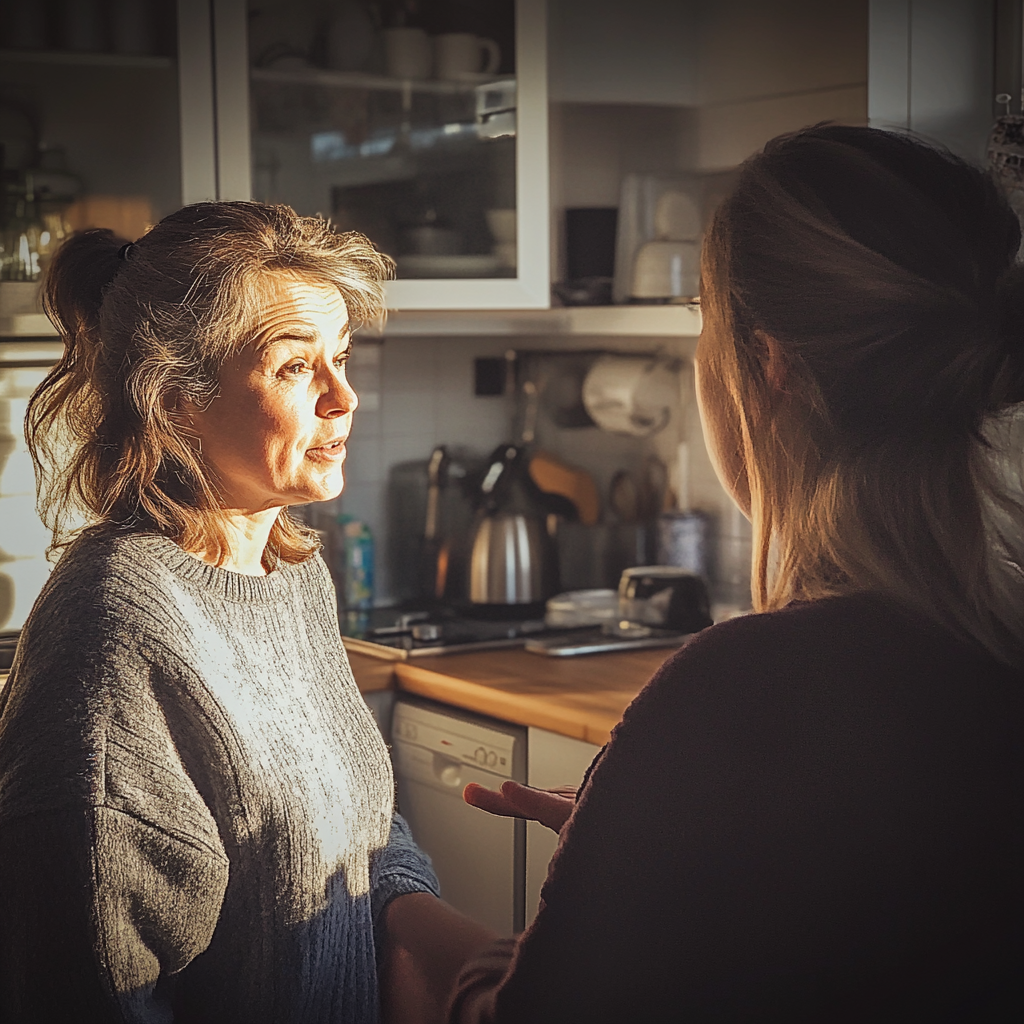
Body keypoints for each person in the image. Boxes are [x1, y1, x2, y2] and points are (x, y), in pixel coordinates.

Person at [454, 125, 1024, 1022]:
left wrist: (415, 916)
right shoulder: (995, 648)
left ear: (768, 364)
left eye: (706, 321)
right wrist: (648, 858)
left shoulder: (746, 686)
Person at [0, 202, 496, 1023]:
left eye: (340, 358)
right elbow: (84, 987)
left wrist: (476, 955)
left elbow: (357, 824)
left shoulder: (288, 574)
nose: (344, 398)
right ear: (174, 399)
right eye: (296, 368)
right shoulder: (117, 624)